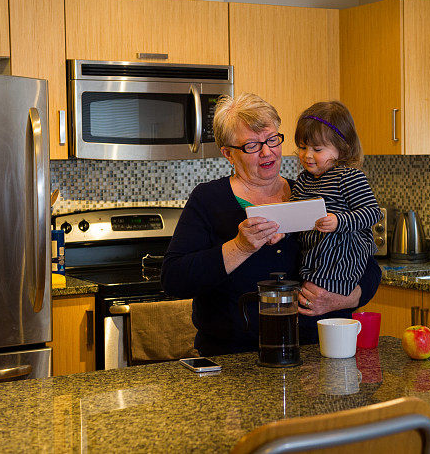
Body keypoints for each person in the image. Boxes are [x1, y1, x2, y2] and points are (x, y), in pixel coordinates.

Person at [161, 93, 381, 356]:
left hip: (313, 354)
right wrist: (240, 247)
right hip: (234, 358)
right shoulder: (208, 199)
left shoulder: (310, 191)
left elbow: (368, 268)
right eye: (252, 146)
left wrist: (342, 299)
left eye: (272, 139)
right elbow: (174, 280)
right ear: (228, 154)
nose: (268, 152)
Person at [291, 101, 382, 296]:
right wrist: (281, 230)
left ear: (343, 148)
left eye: (317, 149)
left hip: (342, 262)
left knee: (315, 296)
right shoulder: (303, 180)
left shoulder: (349, 177)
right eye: (302, 147)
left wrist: (339, 221)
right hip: (312, 260)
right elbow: (293, 215)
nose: (307, 155)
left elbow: (372, 213)